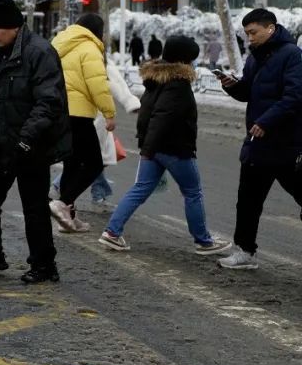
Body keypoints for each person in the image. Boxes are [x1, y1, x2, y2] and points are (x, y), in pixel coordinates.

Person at [0, 0, 69, 284]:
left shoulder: (39, 52)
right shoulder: (4, 52)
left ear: (15, 27)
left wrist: (26, 139)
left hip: (30, 146)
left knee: (33, 207)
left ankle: (45, 266)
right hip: (2, 143)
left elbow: (48, 102)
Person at [99, 36, 226, 253]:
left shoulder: (156, 80)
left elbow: (146, 113)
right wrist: (149, 148)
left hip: (155, 147)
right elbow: (162, 117)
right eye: (192, 59)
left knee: (140, 189)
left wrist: (146, 145)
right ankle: (203, 241)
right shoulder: (178, 84)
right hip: (174, 148)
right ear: (184, 60)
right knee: (193, 192)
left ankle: (112, 232)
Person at [213, 8, 302, 269]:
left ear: (270, 28)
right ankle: (244, 251)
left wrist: (266, 121)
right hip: (258, 144)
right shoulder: (255, 58)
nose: (249, 38)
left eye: (253, 32)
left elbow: (295, 97)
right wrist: (233, 86)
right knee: (248, 200)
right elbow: (249, 92)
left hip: (287, 145)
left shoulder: (292, 56)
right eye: (246, 33)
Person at [50, 13, 116, 232]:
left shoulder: (60, 44)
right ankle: (63, 203)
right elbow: (98, 84)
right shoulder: (89, 49)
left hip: (57, 111)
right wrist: (109, 113)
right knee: (93, 163)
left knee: (72, 164)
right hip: (78, 114)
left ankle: (68, 218)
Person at [49, 59, 140, 212]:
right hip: (91, 118)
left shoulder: (65, 51)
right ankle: (64, 199)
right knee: (92, 161)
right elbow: (110, 85)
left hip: (72, 115)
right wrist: (120, 107)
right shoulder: (95, 57)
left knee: (83, 160)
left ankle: (75, 202)